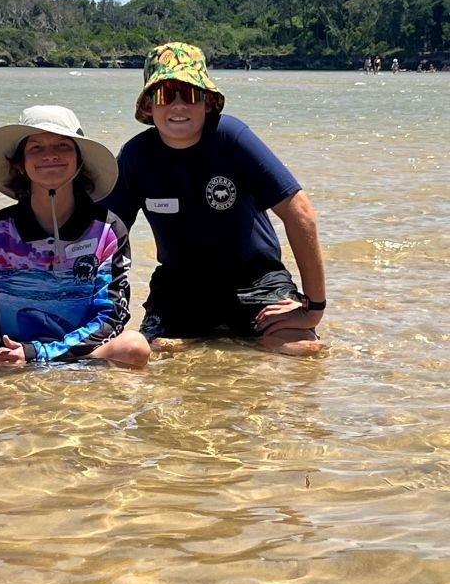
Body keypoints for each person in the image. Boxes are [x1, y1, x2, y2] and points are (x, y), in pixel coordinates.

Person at [106, 43, 327, 356]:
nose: (178, 106)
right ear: (147, 106)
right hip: (181, 286)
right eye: (166, 95)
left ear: (208, 102)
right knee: (163, 355)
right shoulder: (135, 156)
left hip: (256, 280)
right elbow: (104, 238)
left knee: (303, 351)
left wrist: (313, 307)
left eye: (190, 94)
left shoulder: (231, 137)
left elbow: (301, 213)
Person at [0, 106, 150, 369]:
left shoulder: (106, 229)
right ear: (20, 164)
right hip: (7, 349)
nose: (50, 155)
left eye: (62, 146)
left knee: (134, 347)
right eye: (36, 148)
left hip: (76, 351)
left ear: (80, 160)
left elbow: (111, 317)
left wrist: (36, 353)